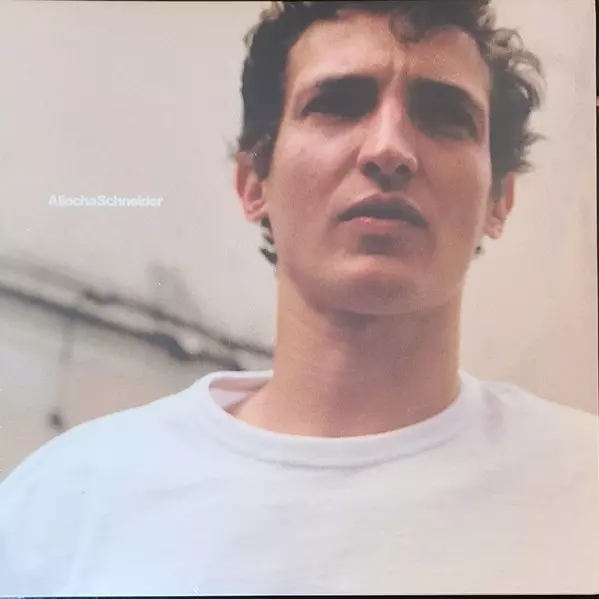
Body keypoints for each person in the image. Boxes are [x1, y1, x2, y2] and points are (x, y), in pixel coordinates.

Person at [1, 1, 597, 595]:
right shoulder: (64, 503)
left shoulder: (582, 487)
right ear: (252, 182)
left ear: (500, 201)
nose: (389, 149)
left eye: (445, 116)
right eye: (337, 104)